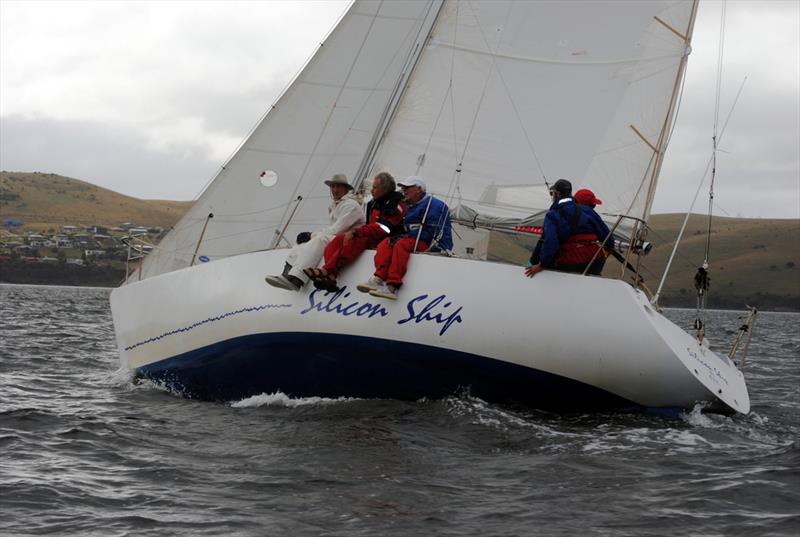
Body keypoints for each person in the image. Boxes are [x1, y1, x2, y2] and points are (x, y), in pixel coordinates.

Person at [304, 172, 406, 292]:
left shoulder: (396, 203)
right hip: (373, 235)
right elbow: (369, 226)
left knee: (355, 240)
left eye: (374, 187)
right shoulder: (372, 203)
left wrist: (357, 232)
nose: (371, 190)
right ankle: (331, 276)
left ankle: (326, 270)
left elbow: (384, 228)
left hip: (386, 238)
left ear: (385, 189)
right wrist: (358, 232)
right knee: (339, 239)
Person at [359, 176, 453, 300]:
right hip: (411, 239)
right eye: (403, 188)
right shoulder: (410, 206)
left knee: (400, 245)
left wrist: (404, 237)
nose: (404, 190)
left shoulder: (434, 205)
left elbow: (432, 232)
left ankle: (392, 285)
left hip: (428, 243)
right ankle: (378, 278)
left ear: (419, 189)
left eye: (407, 188)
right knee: (385, 243)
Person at [265, 174, 363, 291]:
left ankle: (297, 279)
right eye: (333, 187)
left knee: (319, 239)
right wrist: (310, 236)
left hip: (351, 239)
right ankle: (286, 275)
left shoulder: (352, 205)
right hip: (338, 238)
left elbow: (337, 229)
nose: (335, 190)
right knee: (302, 242)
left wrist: (312, 234)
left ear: (346, 189)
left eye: (338, 187)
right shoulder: (334, 205)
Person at [524, 179, 613, 278]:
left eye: (552, 193)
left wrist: (542, 265)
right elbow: (608, 238)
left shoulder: (552, 215)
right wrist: (604, 254)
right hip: (595, 261)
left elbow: (551, 242)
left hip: (570, 263)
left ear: (556, 194)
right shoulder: (588, 211)